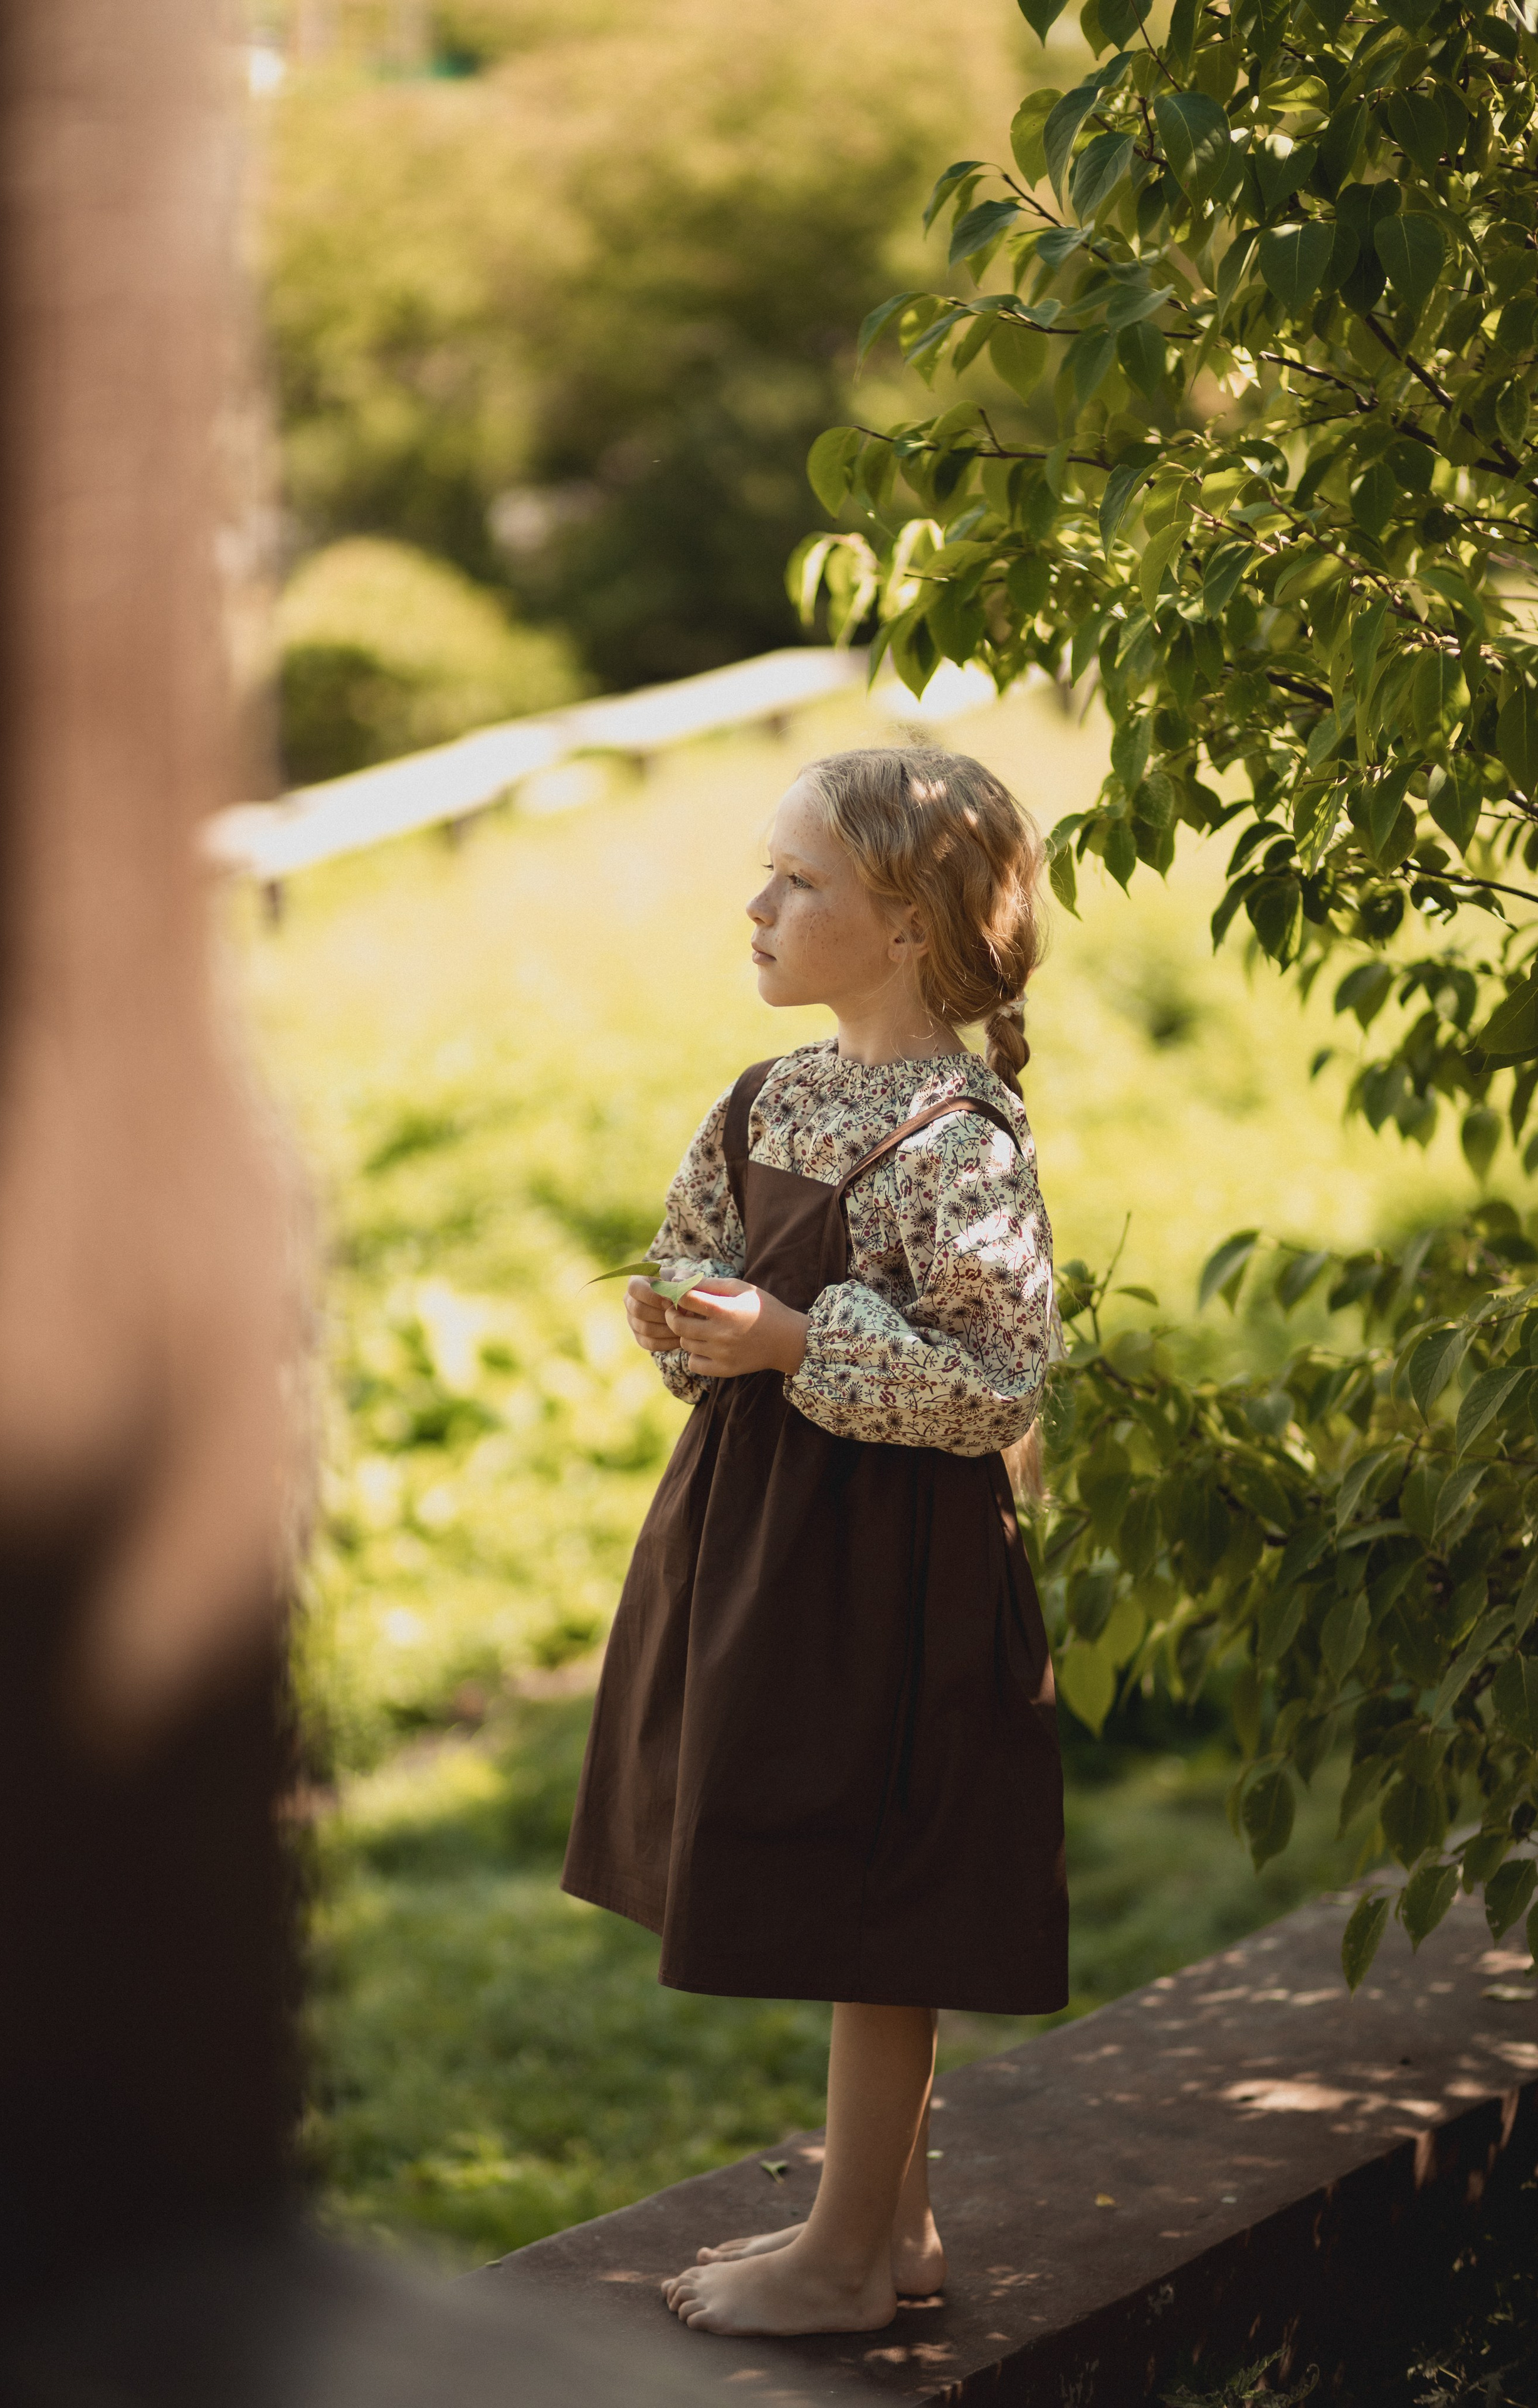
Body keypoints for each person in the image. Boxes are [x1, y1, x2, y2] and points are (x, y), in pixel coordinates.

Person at [561, 745, 1067, 2338]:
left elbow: (995, 1383)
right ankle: (891, 2231)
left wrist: (797, 1341)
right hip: (761, 1536)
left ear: (907, 923)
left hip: (890, 1569)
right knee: (831, 1862)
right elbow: (705, 1250)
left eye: (799, 882)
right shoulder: (767, 1094)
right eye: (763, 873)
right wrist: (690, 1320)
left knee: (876, 1887)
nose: (758, 906)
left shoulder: (958, 1141)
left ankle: (844, 2259)